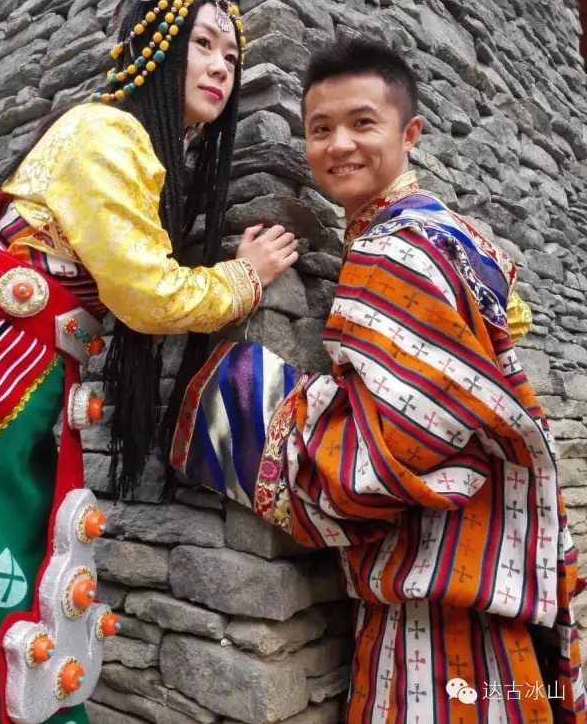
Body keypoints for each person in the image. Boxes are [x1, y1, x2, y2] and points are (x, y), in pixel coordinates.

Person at [171, 36, 585, 724]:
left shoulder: (394, 251)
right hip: (493, 571)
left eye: (362, 123)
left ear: (409, 133)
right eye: (320, 129)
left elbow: (397, 450)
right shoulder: (451, 235)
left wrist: (256, 406)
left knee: (233, 392)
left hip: (439, 609)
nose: (339, 145)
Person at [0, 0, 297, 724]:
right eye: (202, 44)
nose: (220, 67)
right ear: (152, 50)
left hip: (20, 365)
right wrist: (244, 276)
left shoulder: (130, 142)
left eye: (231, 56)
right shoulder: (108, 134)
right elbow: (147, 293)